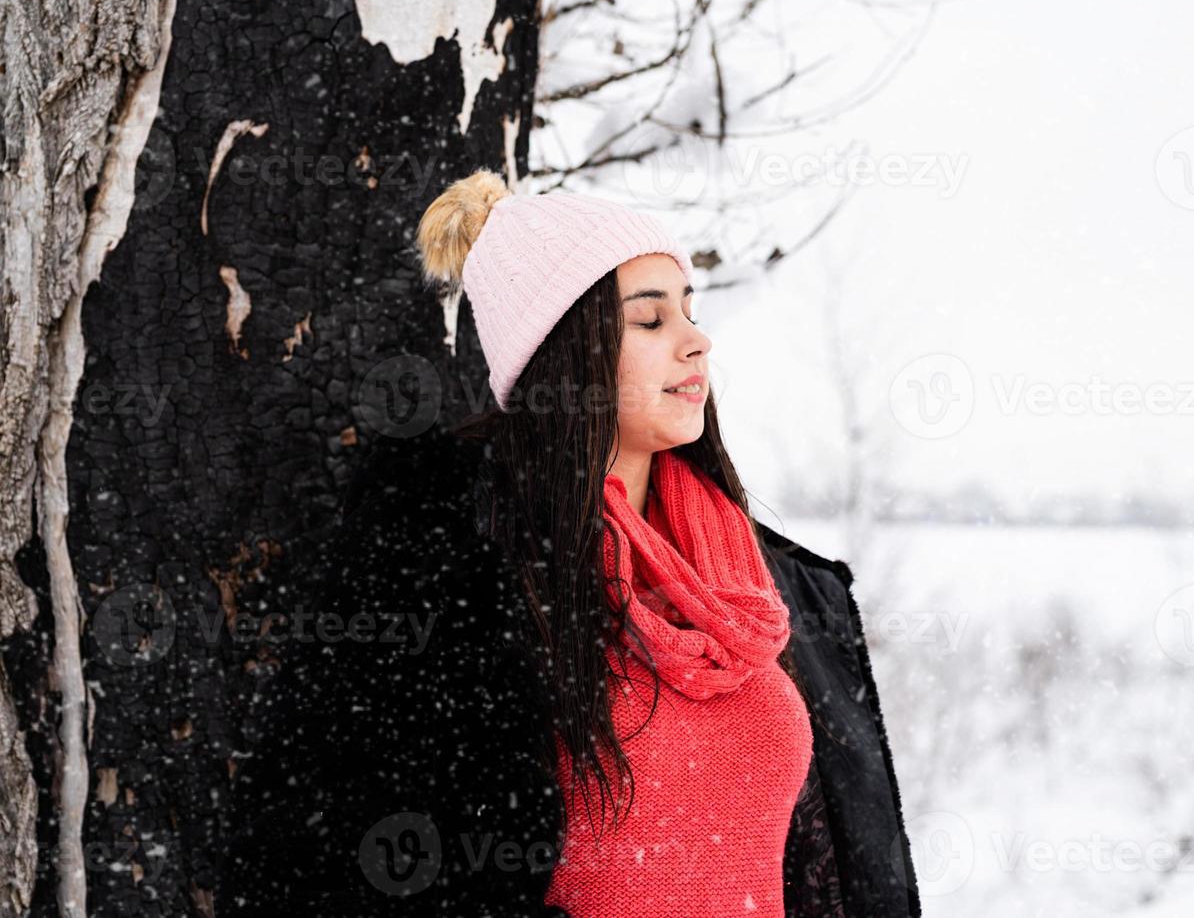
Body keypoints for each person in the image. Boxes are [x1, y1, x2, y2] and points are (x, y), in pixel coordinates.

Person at [216, 170, 921, 917]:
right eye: (649, 322)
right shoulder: (448, 566)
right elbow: (315, 857)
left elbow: (829, 866)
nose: (696, 341)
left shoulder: (757, 586)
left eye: (688, 310)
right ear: (566, 355)